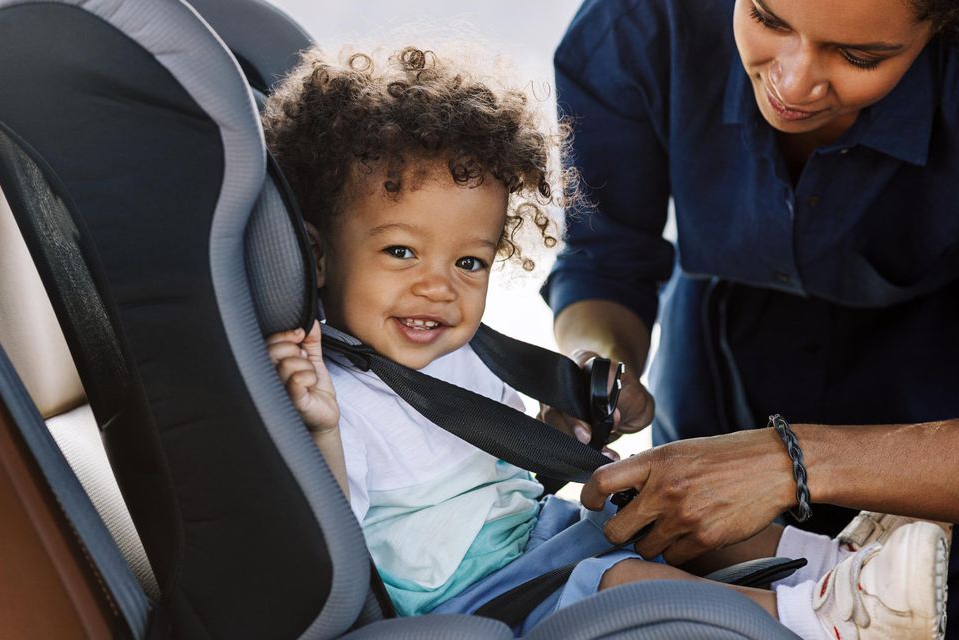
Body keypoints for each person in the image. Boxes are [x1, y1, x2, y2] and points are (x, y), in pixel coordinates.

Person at [259, 44, 948, 639]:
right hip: (478, 590)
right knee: (624, 581)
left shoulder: (452, 352)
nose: (439, 288)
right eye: (402, 252)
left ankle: (838, 565)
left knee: (669, 508)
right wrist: (319, 429)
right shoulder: (331, 391)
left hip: (534, 537)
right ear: (318, 257)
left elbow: (488, 474)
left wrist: (555, 429)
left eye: (469, 263)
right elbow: (331, 541)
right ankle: (826, 620)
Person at [540, 0, 959, 636]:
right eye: (768, 19)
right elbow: (606, 258)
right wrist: (594, 365)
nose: (792, 84)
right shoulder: (636, 26)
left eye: (859, 56)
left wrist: (792, 462)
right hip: (718, 367)